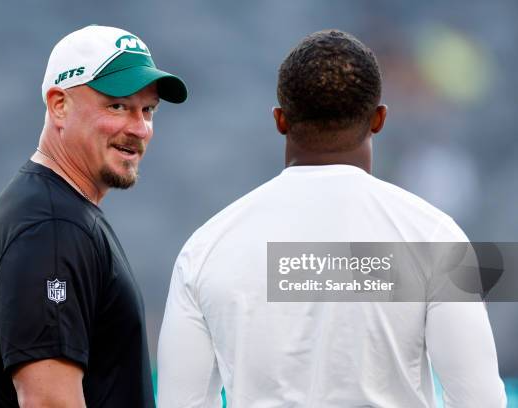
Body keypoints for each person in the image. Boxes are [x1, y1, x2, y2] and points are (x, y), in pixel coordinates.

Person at [157, 30, 505, 407]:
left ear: (280, 120)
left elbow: (181, 402)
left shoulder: (206, 248)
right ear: (378, 119)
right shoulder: (436, 237)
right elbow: (480, 400)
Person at [0, 25, 187, 408]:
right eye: (118, 106)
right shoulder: (52, 231)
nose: (139, 128)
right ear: (59, 105)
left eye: (148, 110)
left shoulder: (49, 213)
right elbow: (48, 403)